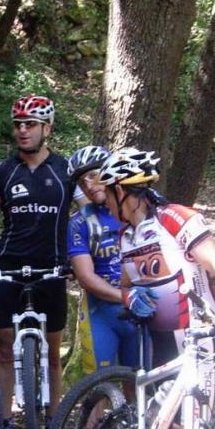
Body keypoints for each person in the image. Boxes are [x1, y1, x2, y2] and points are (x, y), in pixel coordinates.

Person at [0, 94, 73, 429]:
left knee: (54, 354)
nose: (23, 131)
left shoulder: (65, 169)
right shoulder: (3, 171)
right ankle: (4, 423)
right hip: (10, 267)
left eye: (30, 124)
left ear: (48, 128)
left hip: (53, 268)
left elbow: (88, 215)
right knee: (3, 349)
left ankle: (54, 421)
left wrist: (80, 257)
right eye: (18, 124)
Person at [96, 147, 215, 367]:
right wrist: (130, 297)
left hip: (197, 335)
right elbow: (126, 285)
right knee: (158, 401)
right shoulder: (126, 236)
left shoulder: (175, 218)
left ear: (119, 190)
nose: (105, 201)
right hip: (155, 340)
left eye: (107, 193)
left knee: (196, 402)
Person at [67, 145, 139, 370]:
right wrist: (126, 298)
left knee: (140, 384)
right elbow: (86, 277)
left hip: (142, 312)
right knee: (96, 388)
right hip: (101, 315)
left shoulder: (136, 209)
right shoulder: (79, 223)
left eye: (92, 175)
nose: (88, 185)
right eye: (81, 183)